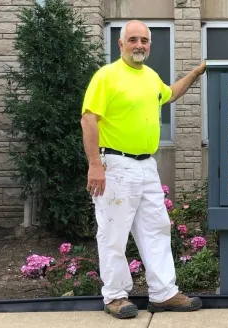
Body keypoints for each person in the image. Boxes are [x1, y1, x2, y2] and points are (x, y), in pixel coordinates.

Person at [80, 20, 206, 319]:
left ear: (150, 45)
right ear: (120, 44)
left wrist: (195, 72)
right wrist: (95, 165)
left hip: (146, 165)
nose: (139, 45)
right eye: (133, 39)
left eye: (145, 40)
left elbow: (170, 94)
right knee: (113, 233)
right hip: (116, 165)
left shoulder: (150, 76)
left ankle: (164, 294)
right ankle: (115, 296)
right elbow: (88, 119)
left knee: (157, 229)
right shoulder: (106, 76)